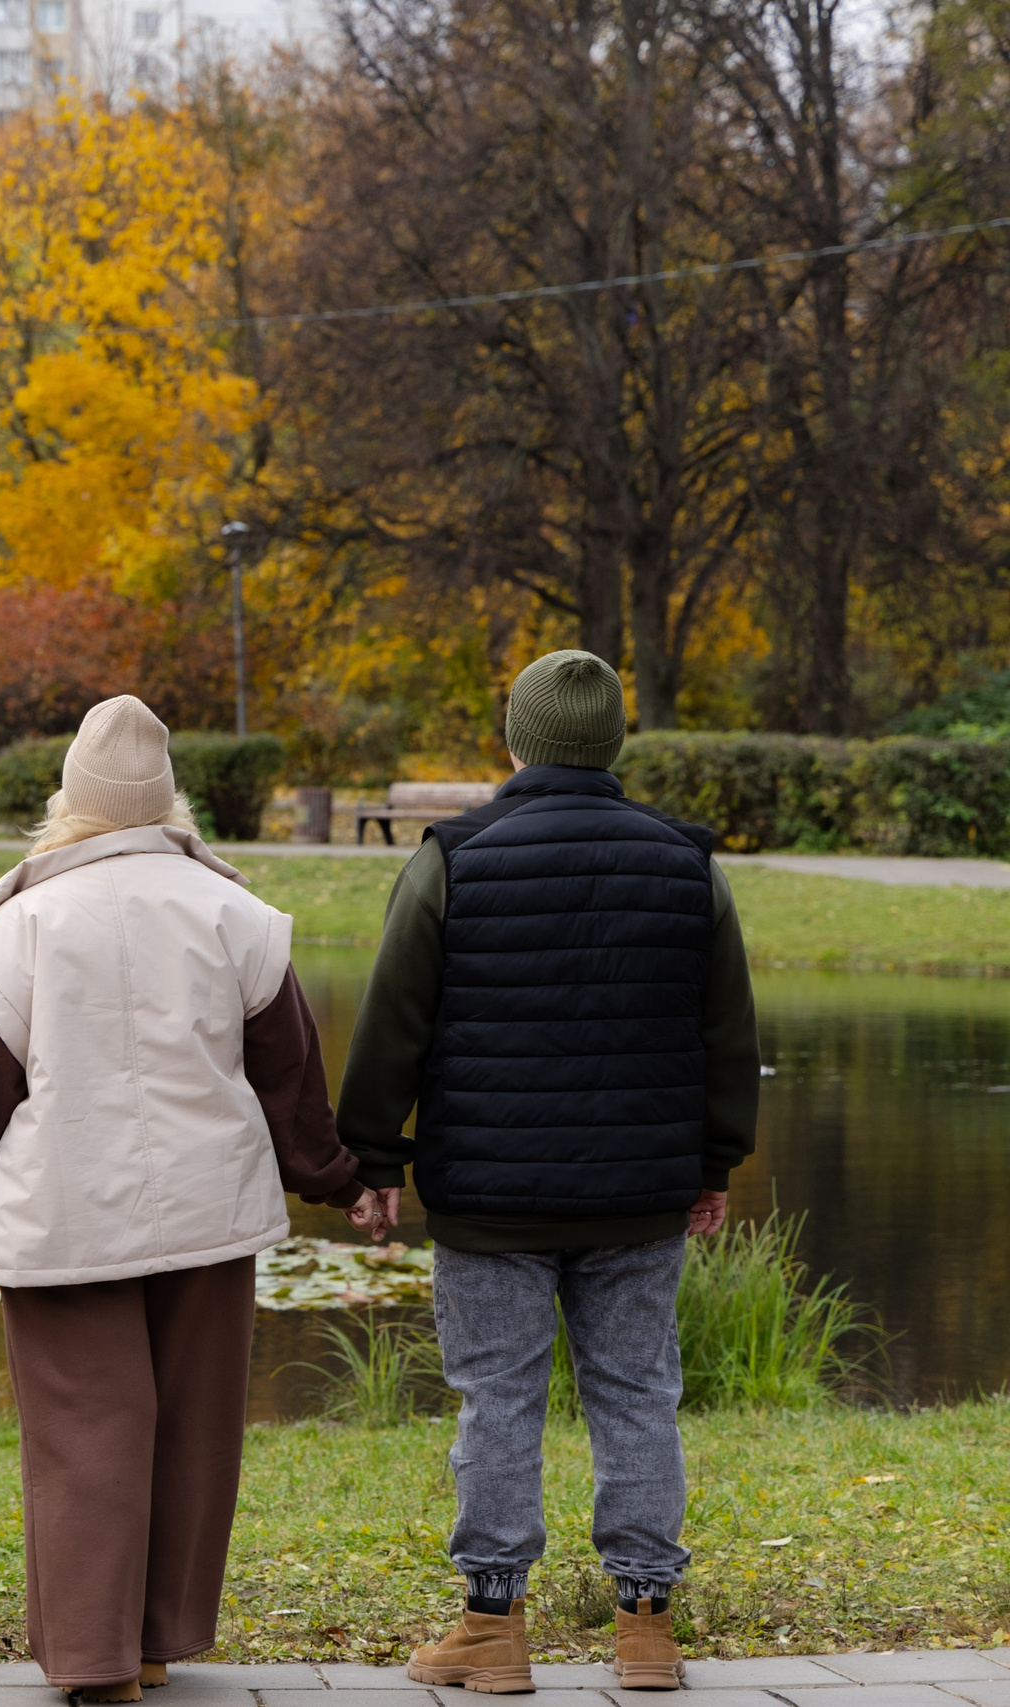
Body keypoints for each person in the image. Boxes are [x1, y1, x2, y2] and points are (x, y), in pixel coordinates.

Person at [0, 695, 380, 1704]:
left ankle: (96, 1662)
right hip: (208, 1214)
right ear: (169, 803)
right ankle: (152, 1641)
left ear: (69, 805)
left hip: (63, 1220)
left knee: (84, 1437)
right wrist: (341, 1182)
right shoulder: (237, 915)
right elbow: (291, 1082)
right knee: (192, 1429)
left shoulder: (19, 925)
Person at [335, 649, 760, 1695]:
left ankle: (491, 1628)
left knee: (497, 1402)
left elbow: (394, 1019)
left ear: (515, 739)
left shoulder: (454, 856)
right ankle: (647, 1630)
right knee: (636, 1399)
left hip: (488, 1194)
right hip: (638, 1191)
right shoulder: (684, 861)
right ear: (614, 742)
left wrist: (373, 1155)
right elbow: (724, 1032)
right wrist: (711, 1161)